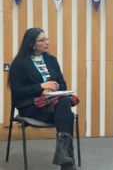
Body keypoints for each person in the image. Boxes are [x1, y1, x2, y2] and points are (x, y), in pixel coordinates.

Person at [8, 28, 79, 170]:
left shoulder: (51, 60)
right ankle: (67, 163)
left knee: (64, 102)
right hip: (31, 106)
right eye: (42, 40)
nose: (47, 42)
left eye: (47, 39)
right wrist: (41, 87)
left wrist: (52, 89)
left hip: (52, 103)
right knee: (67, 114)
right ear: (32, 44)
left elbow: (62, 83)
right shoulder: (20, 63)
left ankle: (65, 158)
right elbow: (17, 92)